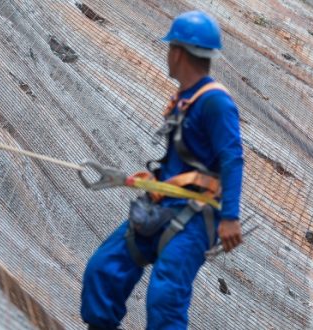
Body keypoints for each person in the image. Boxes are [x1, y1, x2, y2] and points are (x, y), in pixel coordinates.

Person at [81, 10, 244, 329]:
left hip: (194, 216)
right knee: (104, 269)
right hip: (161, 205)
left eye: (170, 49)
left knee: (165, 298)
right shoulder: (186, 99)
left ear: (178, 52)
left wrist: (230, 217)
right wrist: (156, 182)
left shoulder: (216, 103)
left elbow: (233, 158)